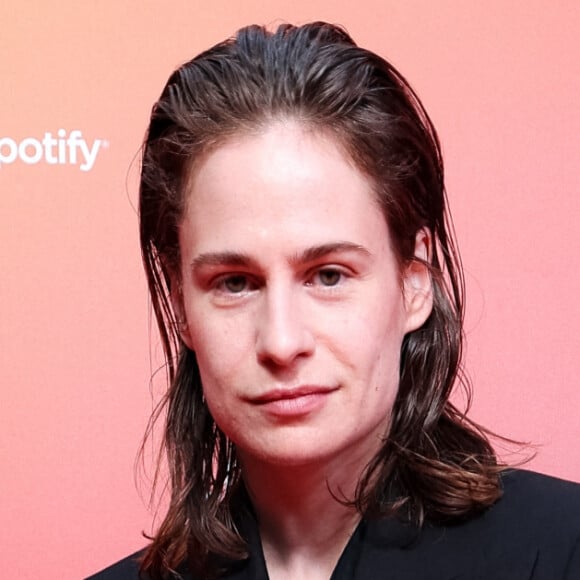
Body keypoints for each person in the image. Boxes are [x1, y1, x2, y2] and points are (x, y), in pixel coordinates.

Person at [88, 21, 580, 580]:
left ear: (414, 281)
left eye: (328, 275)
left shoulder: (562, 551)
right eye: (234, 282)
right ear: (180, 306)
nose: (281, 341)